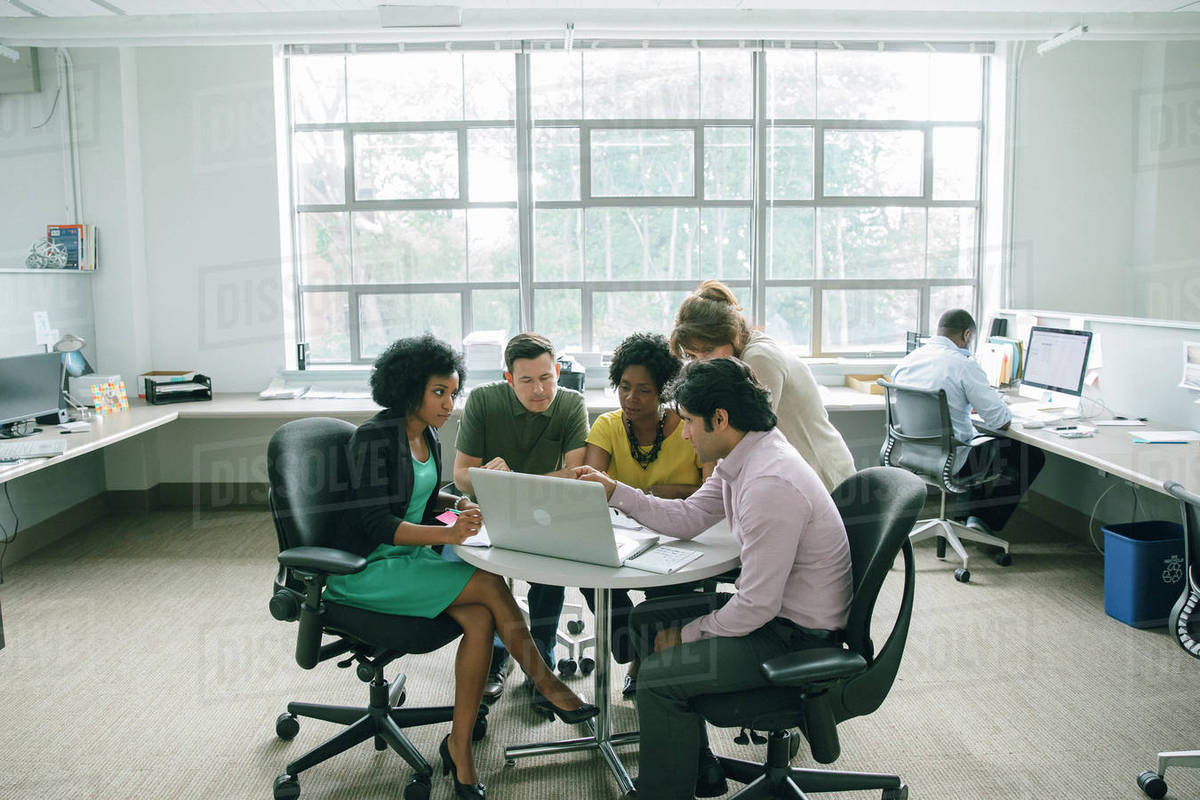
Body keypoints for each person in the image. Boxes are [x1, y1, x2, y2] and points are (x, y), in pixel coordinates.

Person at [324, 335, 597, 799]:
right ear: (409, 389)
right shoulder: (374, 438)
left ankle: (460, 746)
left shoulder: (426, 435)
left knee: (479, 618)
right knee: (488, 581)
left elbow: (427, 505)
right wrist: (449, 533)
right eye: (439, 393)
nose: (449, 404)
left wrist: (467, 507)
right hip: (364, 568)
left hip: (407, 559)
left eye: (453, 393)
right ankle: (544, 679)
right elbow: (375, 522)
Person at [573, 357, 853, 800]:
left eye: (688, 421)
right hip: (776, 615)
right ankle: (696, 766)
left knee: (661, 678)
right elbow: (688, 518)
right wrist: (615, 490)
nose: (682, 433)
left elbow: (756, 606)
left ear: (719, 418)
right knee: (647, 621)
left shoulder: (769, 482)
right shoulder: (744, 454)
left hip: (795, 636)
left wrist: (687, 635)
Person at [452, 332, 589, 705]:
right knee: (486, 572)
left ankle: (541, 655)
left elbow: (578, 475)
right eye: (527, 381)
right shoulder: (483, 400)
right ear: (509, 379)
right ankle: (498, 656)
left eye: (546, 378)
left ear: (557, 371)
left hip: (546, 508)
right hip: (489, 509)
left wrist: (519, 484)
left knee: (551, 562)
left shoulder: (571, 403)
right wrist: (487, 478)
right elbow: (462, 474)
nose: (539, 390)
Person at [579, 332, 708, 699]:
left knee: (670, 586)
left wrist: (673, 493)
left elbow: (714, 492)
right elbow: (590, 489)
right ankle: (635, 650)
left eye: (644, 390)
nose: (631, 399)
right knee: (590, 575)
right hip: (622, 536)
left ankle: (646, 661)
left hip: (680, 535)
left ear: (664, 390)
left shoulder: (689, 428)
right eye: (624, 387)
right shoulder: (607, 426)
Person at [670, 279, 856, 493]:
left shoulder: (759, 359)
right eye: (693, 355)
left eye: (708, 350)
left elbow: (746, 439)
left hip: (824, 477)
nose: (702, 362)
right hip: (792, 479)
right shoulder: (734, 357)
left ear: (731, 336)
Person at [890, 308, 1046, 535]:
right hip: (953, 461)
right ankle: (984, 522)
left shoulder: (907, 361)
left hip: (913, 454)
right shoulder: (964, 364)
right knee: (1029, 455)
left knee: (972, 437)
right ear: (966, 335)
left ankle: (966, 518)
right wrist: (999, 403)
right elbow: (1000, 421)